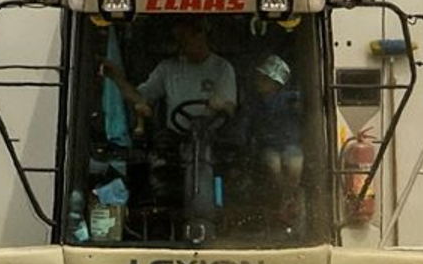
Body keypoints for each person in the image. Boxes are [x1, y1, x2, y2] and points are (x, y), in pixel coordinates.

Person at [102, 18, 237, 130]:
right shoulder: (168, 68)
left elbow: (230, 109)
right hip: (174, 142)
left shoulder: (222, 68)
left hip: (213, 140)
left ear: (200, 35)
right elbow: (141, 98)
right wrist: (117, 78)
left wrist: (221, 106)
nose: (180, 45)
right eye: (177, 40)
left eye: (184, 38)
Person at [231, 54, 305, 214]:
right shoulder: (253, 103)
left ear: (277, 84)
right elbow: (244, 124)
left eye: (265, 79)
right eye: (259, 78)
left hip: (290, 144)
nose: (259, 82)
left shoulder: (290, 98)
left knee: (295, 165)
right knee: (273, 164)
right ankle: (282, 196)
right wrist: (242, 143)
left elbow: (303, 105)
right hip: (267, 146)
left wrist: (300, 106)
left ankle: (291, 196)